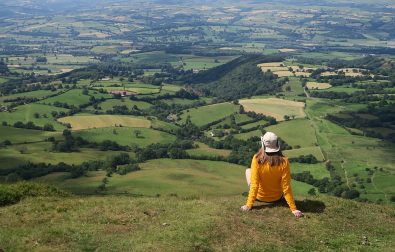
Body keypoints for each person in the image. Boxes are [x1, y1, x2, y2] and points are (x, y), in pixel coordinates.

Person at [240, 132, 303, 218]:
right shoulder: (284, 161)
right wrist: (294, 209)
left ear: (263, 144)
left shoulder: (257, 159)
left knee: (248, 170)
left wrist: (248, 205)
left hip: (259, 197)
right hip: (276, 198)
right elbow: (286, 187)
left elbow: (254, 184)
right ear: (277, 144)